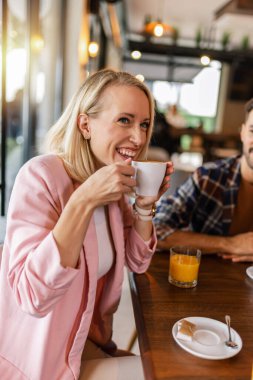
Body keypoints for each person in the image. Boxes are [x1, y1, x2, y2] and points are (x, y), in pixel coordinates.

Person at [0, 69, 173, 380]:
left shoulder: (112, 183)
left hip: (83, 346)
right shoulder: (40, 177)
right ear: (85, 124)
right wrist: (84, 199)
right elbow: (32, 296)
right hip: (39, 363)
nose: (139, 137)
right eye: (125, 120)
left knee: (170, 366)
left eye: (144, 124)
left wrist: (144, 206)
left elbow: (137, 261)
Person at [154, 98, 253, 263]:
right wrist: (230, 244)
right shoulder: (209, 178)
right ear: (242, 133)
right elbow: (156, 230)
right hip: (199, 282)